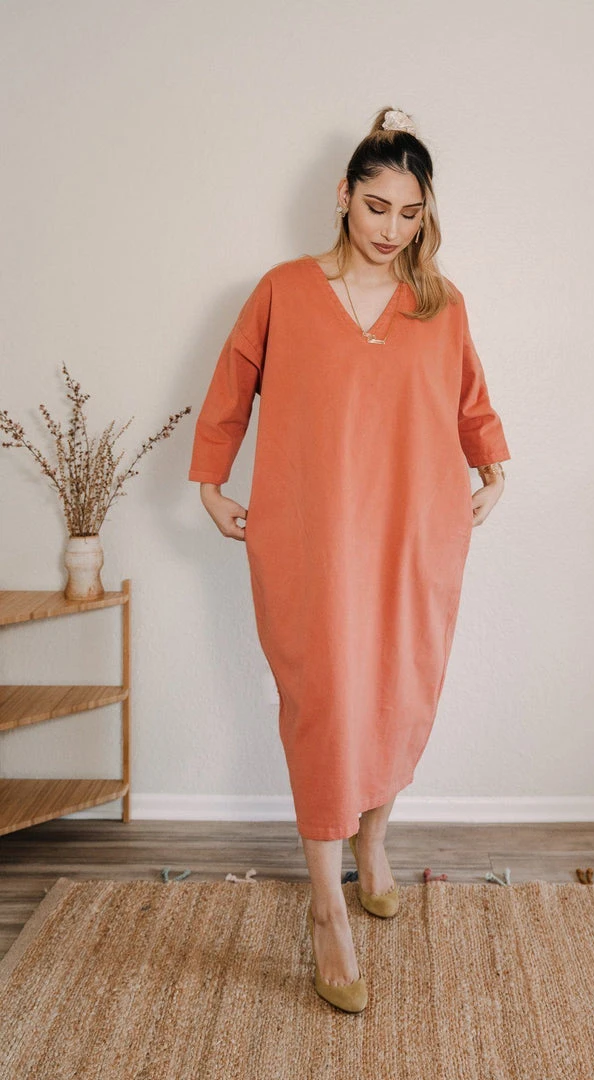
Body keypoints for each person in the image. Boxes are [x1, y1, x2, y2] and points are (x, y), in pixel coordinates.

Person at [187, 105, 511, 1012]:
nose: (391, 229)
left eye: (410, 213)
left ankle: (374, 840)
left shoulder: (440, 303)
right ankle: (327, 906)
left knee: (399, 692)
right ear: (342, 195)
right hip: (312, 535)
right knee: (327, 704)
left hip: (415, 529)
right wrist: (210, 480)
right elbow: (231, 384)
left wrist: (493, 466)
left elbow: (470, 399)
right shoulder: (284, 290)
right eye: (376, 207)